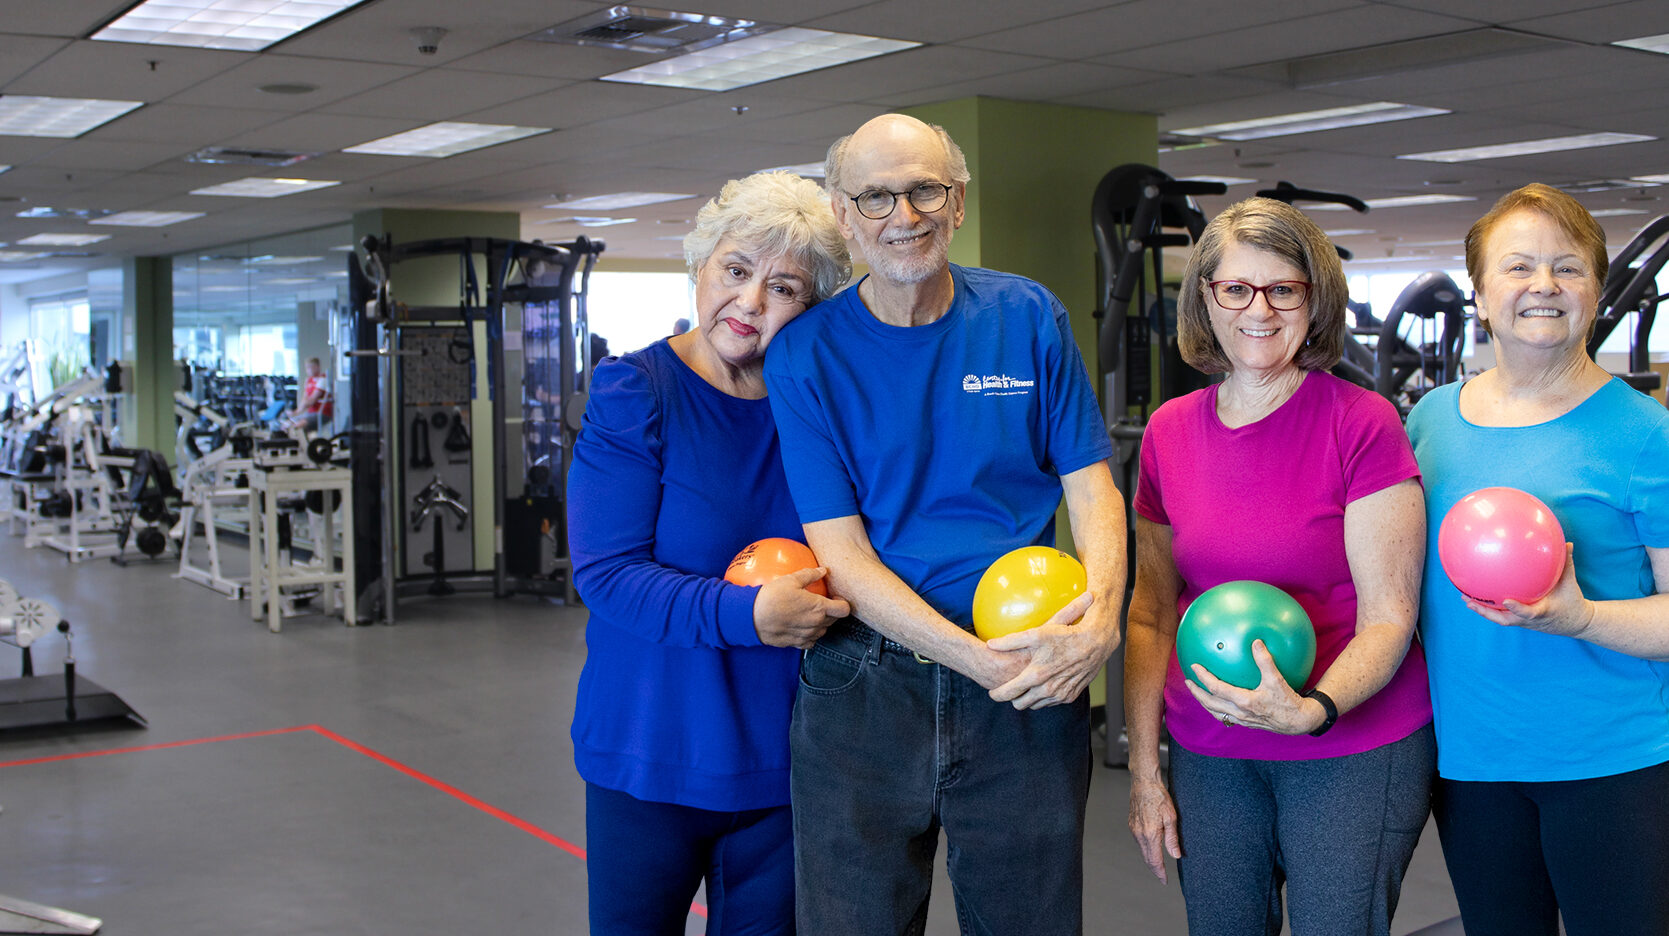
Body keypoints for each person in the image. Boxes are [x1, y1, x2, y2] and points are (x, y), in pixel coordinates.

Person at [761, 114, 1126, 934]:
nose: (905, 215)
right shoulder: (806, 356)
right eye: (877, 196)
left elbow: (1091, 487)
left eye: (926, 188)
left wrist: (1101, 616)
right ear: (843, 212)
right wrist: (972, 660)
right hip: (865, 685)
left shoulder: (1026, 316)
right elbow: (841, 553)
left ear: (957, 202)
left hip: (1031, 668)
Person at [1124, 197, 1434, 936]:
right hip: (1211, 747)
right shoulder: (1169, 431)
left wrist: (1313, 709)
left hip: (1349, 742)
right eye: (1234, 288)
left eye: (1282, 290)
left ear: (1312, 299)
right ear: (1205, 298)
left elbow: (1389, 614)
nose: (1257, 310)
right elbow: (1149, 611)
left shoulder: (1360, 422)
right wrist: (1143, 771)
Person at [565, 170, 853, 935]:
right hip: (651, 750)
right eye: (735, 270)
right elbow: (606, 574)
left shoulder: (815, 410)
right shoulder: (636, 392)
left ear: (812, 306)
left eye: (783, 287)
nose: (750, 302)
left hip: (787, 763)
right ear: (701, 265)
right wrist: (750, 613)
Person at [1405, 183, 1669, 936]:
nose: (1543, 286)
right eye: (1517, 267)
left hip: (1611, 762)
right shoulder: (1429, 421)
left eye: (1568, 267)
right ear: (1481, 296)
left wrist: (1578, 615)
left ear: (1593, 290)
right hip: (1471, 761)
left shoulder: (1644, 433)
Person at [284, 357, 331, 432]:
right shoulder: (309, 380)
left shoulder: (322, 379)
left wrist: (299, 409)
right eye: (307, 367)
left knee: (297, 426)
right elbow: (304, 400)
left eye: (311, 367)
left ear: (317, 367)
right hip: (310, 413)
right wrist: (295, 412)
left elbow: (311, 401)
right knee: (286, 425)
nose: (309, 369)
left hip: (323, 413)